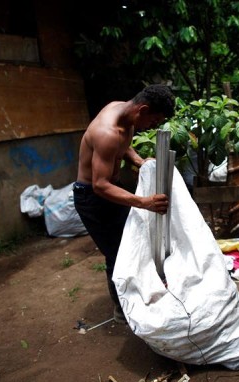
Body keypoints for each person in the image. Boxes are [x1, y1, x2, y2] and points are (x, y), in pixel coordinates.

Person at [73, 84, 176, 323]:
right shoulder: (108, 133)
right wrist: (143, 202)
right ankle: (122, 310)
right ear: (143, 109)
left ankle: (134, 296)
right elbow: (100, 184)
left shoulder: (122, 113)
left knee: (131, 241)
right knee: (117, 253)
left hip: (112, 190)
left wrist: (139, 161)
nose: (153, 126)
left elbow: (124, 145)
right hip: (93, 197)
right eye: (154, 120)